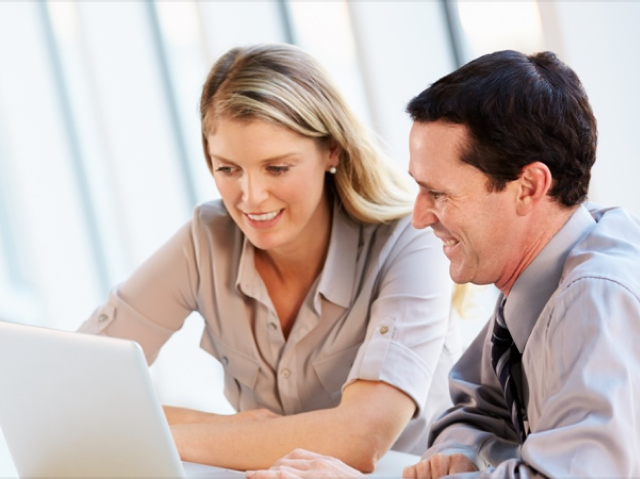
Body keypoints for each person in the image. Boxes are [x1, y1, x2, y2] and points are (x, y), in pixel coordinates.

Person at [248, 50, 640, 478]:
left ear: (528, 187)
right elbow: (475, 407)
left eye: (439, 194)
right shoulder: (540, 280)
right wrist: (467, 454)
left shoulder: (596, 297)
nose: (419, 217)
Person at [78, 43, 459, 472]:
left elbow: (360, 438)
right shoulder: (207, 240)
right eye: (228, 169)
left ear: (331, 149)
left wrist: (169, 433)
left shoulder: (410, 242)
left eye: (277, 168)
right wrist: (224, 431)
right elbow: (78, 382)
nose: (251, 197)